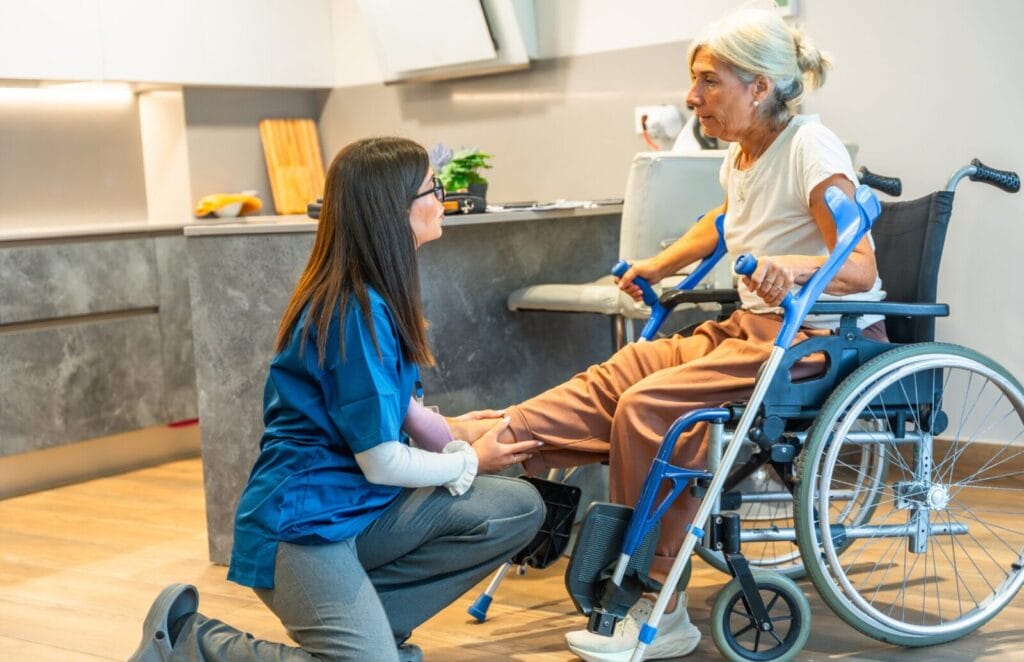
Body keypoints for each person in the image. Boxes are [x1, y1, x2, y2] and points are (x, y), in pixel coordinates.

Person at [462, 8, 887, 661]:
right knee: (618, 375)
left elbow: (858, 265)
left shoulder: (811, 146)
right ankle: (491, 438)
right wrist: (658, 266)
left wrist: (790, 268)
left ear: (760, 86)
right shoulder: (744, 155)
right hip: (746, 329)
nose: (692, 98)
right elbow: (724, 221)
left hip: (812, 340)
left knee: (652, 406)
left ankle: (655, 596)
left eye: (708, 81)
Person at [129, 137, 546, 662]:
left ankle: (371, 643)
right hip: (304, 527)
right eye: (432, 189)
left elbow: (400, 411)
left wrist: (459, 430)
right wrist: (469, 460)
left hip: (361, 511)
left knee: (514, 507)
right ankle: (189, 639)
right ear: (392, 209)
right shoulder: (357, 312)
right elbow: (381, 460)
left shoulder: (376, 298)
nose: (442, 200)